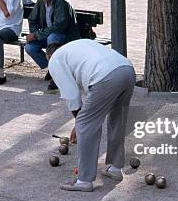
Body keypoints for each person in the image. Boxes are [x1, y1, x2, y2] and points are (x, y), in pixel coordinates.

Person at [48, 39, 136, 192]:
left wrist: (79, 122)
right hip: (127, 69)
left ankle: (84, 180)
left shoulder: (55, 60)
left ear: (49, 56)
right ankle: (115, 168)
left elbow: (72, 96)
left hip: (105, 76)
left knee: (85, 123)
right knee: (118, 118)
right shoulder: (78, 45)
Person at [25, 0, 79, 89]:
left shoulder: (62, 1)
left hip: (66, 36)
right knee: (30, 47)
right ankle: (53, 68)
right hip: (47, 35)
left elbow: (59, 27)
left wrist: (36, 35)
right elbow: (32, 19)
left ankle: (56, 75)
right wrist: (35, 34)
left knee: (52, 38)